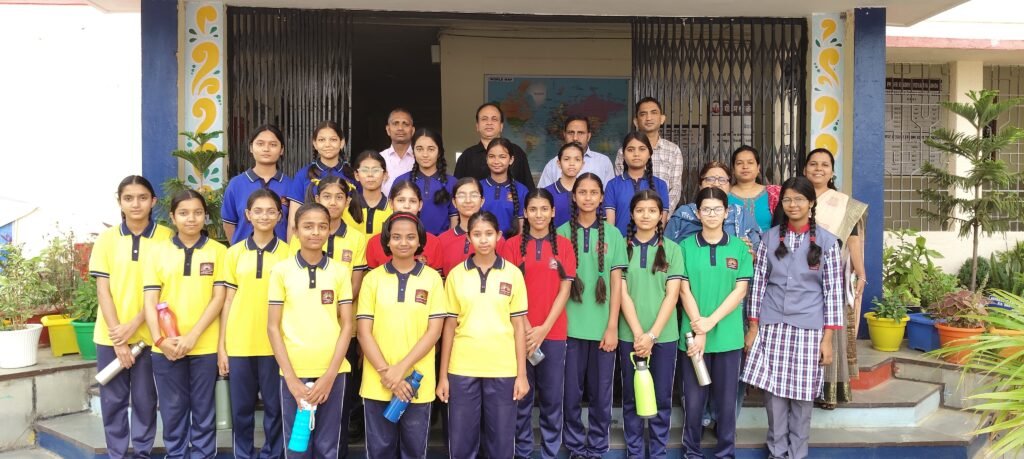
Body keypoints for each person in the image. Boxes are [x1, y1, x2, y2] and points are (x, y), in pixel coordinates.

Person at [742, 176, 844, 459]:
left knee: (802, 396)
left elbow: (833, 292)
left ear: (811, 202)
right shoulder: (770, 238)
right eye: (787, 199)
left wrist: (827, 340)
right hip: (773, 325)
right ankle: (777, 452)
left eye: (799, 199)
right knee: (773, 395)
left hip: (809, 328)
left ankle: (797, 453)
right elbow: (759, 284)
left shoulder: (827, 242)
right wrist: (753, 327)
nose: (793, 204)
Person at [90, 175, 171, 459]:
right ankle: (117, 453)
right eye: (128, 198)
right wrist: (118, 337)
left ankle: (143, 452)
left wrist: (135, 325)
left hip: (150, 335)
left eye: (142, 197)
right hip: (110, 335)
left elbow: (164, 290)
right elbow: (103, 290)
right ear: (120, 202)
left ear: (153, 202)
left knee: (146, 399)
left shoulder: (166, 238)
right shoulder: (107, 240)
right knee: (113, 400)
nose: (136, 204)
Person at [437, 211, 530, 459]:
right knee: (462, 442)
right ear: (468, 238)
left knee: (501, 443)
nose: (484, 239)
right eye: (477, 234)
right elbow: (449, 327)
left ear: (498, 236)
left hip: (503, 369)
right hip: (462, 368)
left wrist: (522, 375)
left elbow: (519, 327)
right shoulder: (456, 275)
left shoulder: (513, 274)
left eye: (489, 233)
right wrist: (443, 376)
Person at [143, 189, 227, 459]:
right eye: (184, 213)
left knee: (204, 410)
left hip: (204, 346)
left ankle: (203, 455)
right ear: (172, 217)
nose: (191, 218)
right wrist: (160, 340)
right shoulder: (157, 252)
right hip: (166, 348)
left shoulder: (219, 252)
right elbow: (150, 300)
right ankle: (176, 454)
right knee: (172, 410)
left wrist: (193, 336)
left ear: (206, 216)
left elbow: (218, 298)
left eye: (198, 213)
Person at [268, 202, 354, 459]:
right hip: (294, 372)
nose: (315, 232)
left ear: (329, 230)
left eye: (322, 226)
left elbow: (347, 324)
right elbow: (272, 327)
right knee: (297, 446)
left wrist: (330, 375)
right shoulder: (281, 271)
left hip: (333, 372)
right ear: (295, 230)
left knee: (329, 447)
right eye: (308, 226)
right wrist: (291, 380)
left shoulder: (340, 271)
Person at [356, 212, 446, 459]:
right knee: (380, 451)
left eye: (410, 237)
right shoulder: (372, 279)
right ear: (387, 240)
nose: (403, 242)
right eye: (396, 237)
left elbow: (434, 331)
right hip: (378, 382)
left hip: (417, 383)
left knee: (414, 451)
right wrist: (388, 373)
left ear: (420, 241)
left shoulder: (432, 279)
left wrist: (401, 371)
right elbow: (363, 333)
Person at [499, 189, 577, 459]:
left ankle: (550, 452)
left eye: (544, 209)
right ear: (525, 213)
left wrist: (543, 329)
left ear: (553, 212)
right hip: (519, 332)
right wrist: (527, 327)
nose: (539, 214)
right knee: (520, 396)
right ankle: (521, 451)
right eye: (533, 209)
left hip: (553, 333)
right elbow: (508, 290)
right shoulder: (511, 246)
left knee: (552, 398)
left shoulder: (564, 245)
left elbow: (565, 289)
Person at [678, 187, 752, 459]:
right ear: (698, 213)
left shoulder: (738, 248)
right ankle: (692, 452)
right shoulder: (685, 247)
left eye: (717, 209)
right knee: (694, 401)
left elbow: (740, 291)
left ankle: (725, 453)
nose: (711, 214)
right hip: (692, 337)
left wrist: (710, 323)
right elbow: (683, 290)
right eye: (706, 209)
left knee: (727, 401)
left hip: (728, 337)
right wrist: (699, 326)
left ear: (726, 212)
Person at [557, 173, 627, 459]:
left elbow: (616, 283)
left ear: (601, 198)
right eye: (582, 192)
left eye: (593, 192)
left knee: (601, 393)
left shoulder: (613, 234)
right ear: (574, 197)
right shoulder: (561, 232)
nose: (587, 197)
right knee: (570, 393)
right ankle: (575, 445)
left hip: (602, 329)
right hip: (569, 328)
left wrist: (612, 326)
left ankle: (597, 446)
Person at [218, 189, 291, 458]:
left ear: (280, 216)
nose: (264, 216)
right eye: (258, 211)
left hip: (275, 345)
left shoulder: (289, 254)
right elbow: (227, 300)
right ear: (247, 215)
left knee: (275, 408)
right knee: (241, 409)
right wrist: (223, 347)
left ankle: (272, 454)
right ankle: (243, 454)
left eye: (271, 211)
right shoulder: (234, 253)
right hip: (240, 342)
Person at [617, 190, 684, 459]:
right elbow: (622, 293)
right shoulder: (621, 247)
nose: (646, 215)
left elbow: (672, 295)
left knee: (662, 396)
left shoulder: (673, 249)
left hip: (664, 336)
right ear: (632, 214)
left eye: (652, 211)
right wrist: (639, 334)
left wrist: (652, 335)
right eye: (640, 210)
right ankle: (634, 452)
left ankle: (658, 452)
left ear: (661, 216)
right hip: (629, 335)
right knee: (631, 396)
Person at [803, 148, 868, 410]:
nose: (818, 169)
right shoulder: (796, 197)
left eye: (824, 165)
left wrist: (861, 273)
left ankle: (828, 391)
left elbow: (852, 240)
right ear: (805, 169)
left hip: (832, 275)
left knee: (830, 331)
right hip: (799, 277)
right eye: (813, 164)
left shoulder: (844, 204)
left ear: (832, 171)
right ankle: (803, 388)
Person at [665, 160, 762, 247]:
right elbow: (667, 248)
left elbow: (757, 247)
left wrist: (750, 251)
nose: (716, 184)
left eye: (722, 180)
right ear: (700, 185)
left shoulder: (742, 214)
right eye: (710, 179)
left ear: (730, 187)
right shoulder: (683, 214)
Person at [286, 121, 356, 239]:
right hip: (311, 239)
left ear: (342, 142)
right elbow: (293, 221)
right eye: (322, 140)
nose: (327, 144)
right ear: (315, 144)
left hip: (346, 241)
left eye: (333, 140)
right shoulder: (303, 175)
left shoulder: (351, 175)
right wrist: (292, 248)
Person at [222, 124, 291, 244]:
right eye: (260, 144)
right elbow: (229, 224)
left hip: (281, 254)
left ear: (281, 150)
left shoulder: (291, 185)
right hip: (244, 254)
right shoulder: (236, 184)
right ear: (251, 148)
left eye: (273, 144)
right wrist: (238, 249)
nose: (266, 149)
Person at [614, 97, 685, 210]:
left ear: (662, 119)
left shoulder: (673, 150)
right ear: (636, 121)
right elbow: (621, 187)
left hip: (662, 217)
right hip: (630, 215)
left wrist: (662, 214)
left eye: (654, 112)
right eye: (643, 114)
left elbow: (675, 189)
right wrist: (635, 213)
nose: (648, 118)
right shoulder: (624, 151)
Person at [364, 181, 444, 272]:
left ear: (420, 205)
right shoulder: (374, 243)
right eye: (401, 200)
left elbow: (436, 279)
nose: (406, 206)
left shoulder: (434, 243)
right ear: (391, 203)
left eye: (413, 201)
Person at [453, 103, 535, 190]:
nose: (489, 123)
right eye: (484, 119)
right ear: (477, 126)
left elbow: (529, 190)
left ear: (501, 126)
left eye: (494, 119)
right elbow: (457, 192)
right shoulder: (467, 156)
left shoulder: (516, 152)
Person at [392, 128, 457, 235]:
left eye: (431, 149)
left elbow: (454, 219)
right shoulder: (402, 181)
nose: (425, 154)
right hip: (408, 242)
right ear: (413, 151)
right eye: (419, 149)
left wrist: (449, 242)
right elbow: (394, 217)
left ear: (439, 152)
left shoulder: (452, 182)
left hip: (441, 243)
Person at [437, 177, 506, 277]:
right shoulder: (442, 240)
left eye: (474, 195)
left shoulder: (496, 240)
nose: (468, 200)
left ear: (482, 201)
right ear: (454, 202)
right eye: (462, 196)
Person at [605, 132, 670, 236]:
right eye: (630, 150)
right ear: (623, 154)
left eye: (642, 149)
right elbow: (610, 227)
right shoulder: (613, 185)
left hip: (652, 244)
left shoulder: (661, 185)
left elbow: (660, 224)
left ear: (649, 154)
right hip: (620, 243)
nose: (636, 154)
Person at [537, 116, 615, 187]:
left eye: (580, 133)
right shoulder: (553, 165)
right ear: (564, 135)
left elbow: (610, 196)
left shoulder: (603, 162)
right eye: (571, 133)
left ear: (588, 136)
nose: (575, 138)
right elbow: (542, 195)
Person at [479, 137, 530, 238]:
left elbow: (522, 228)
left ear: (511, 160)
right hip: (482, 244)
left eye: (502, 157)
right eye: (492, 156)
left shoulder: (521, 190)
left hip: (511, 245)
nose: (496, 161)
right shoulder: (477, 187)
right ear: (486, 159)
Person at [729, 145, 780, 232]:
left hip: (768, 240)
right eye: (739, 163)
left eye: (750, 162)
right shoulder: (724, 194)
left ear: (758, 168)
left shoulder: (774, 193)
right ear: (733, 169)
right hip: (732, 241)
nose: (745, 167)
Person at [345, 150, 393, 237]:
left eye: (376, 170)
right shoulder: (346, 207)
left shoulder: (393, 208)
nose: (370, 174)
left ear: (385, 175)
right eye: (364, 170)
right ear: (356, 175)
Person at [543, 142, 584, 229]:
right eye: (566, 159)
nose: (572, 163)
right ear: (559, 163)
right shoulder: (546, 193)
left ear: (582, 164)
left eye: (577, 159)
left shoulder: (587, 192)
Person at [381, 108, 416, 195]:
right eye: (395, 123)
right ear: (388, 129)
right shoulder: (379, 159)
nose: (400, 128)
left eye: (405, 124)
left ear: (412, 130)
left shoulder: (422, 158)